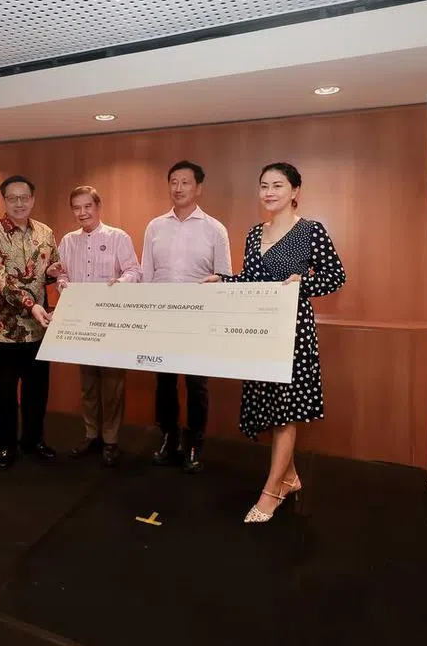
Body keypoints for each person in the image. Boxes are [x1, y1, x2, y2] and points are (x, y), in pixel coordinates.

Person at [204, 162, 346, 522]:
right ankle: (290, 478)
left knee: (285, 413)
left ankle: (270, 494)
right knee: (269, 409)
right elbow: (252, 281)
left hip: (294, 332)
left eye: (277, 185)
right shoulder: (254, 233)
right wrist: (224, 281)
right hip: (260, 331)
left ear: (295, 191)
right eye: (264, 185)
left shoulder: (310, 230)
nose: (269, 192)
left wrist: (303, 284)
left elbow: (335, 276)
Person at [141, 160, 231, 474]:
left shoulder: (214, 228)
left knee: (197, 384)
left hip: (198, 320)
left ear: (198, 187)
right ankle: (169, 438)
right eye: (173, 182)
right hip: (162, 317)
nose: (178, 188)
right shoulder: (155, 226)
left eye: (185, 182)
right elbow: (146, 275)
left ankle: (194, 443)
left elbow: (224, 277)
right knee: (164, 382)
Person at [53, 185, 141, 466]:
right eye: (77, 208)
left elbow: (134, 271)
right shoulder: (68, 241)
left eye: (87, 206)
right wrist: (62, 283)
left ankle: (111, 439)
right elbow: (61, 274)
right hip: (82, 321)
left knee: (113, 383)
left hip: (112, 320)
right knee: (88, 383)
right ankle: (91, 434)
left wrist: (121, 282)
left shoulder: (118, 237)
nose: (82, 212)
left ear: (98, 207)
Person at [0, 175, 59, 469]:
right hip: (3, 329)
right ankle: (6, 444)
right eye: (13, 198)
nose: (19, 203)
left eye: (25, 197)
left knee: (37, 389)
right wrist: (31, 304)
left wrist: (56, 273)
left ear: (33, 199)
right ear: (5, 201)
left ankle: (34, 440)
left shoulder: (46, 232)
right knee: (5, 391)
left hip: (39, 328)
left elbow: (50, 271)